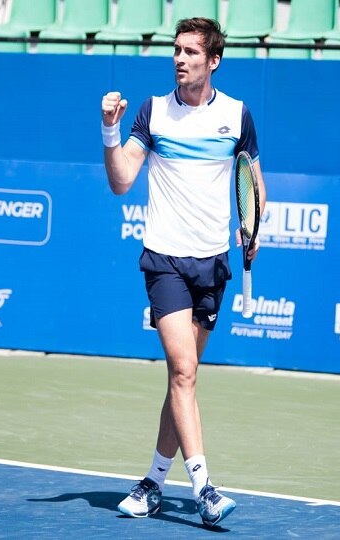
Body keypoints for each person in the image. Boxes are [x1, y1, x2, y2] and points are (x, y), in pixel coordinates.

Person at [100, 18, 267, 528]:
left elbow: (253, 181)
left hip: (212, 263)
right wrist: (110, 129)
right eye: (177, 50)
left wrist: (253, 226)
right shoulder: (153, 111)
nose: (180, 59)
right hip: (165, 259)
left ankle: (152, 481)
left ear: (212, 61)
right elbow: (122, 181)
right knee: (184, 372)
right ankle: (205, 489)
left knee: (182, 380)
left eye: (192, 52)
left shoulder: (237, 116)